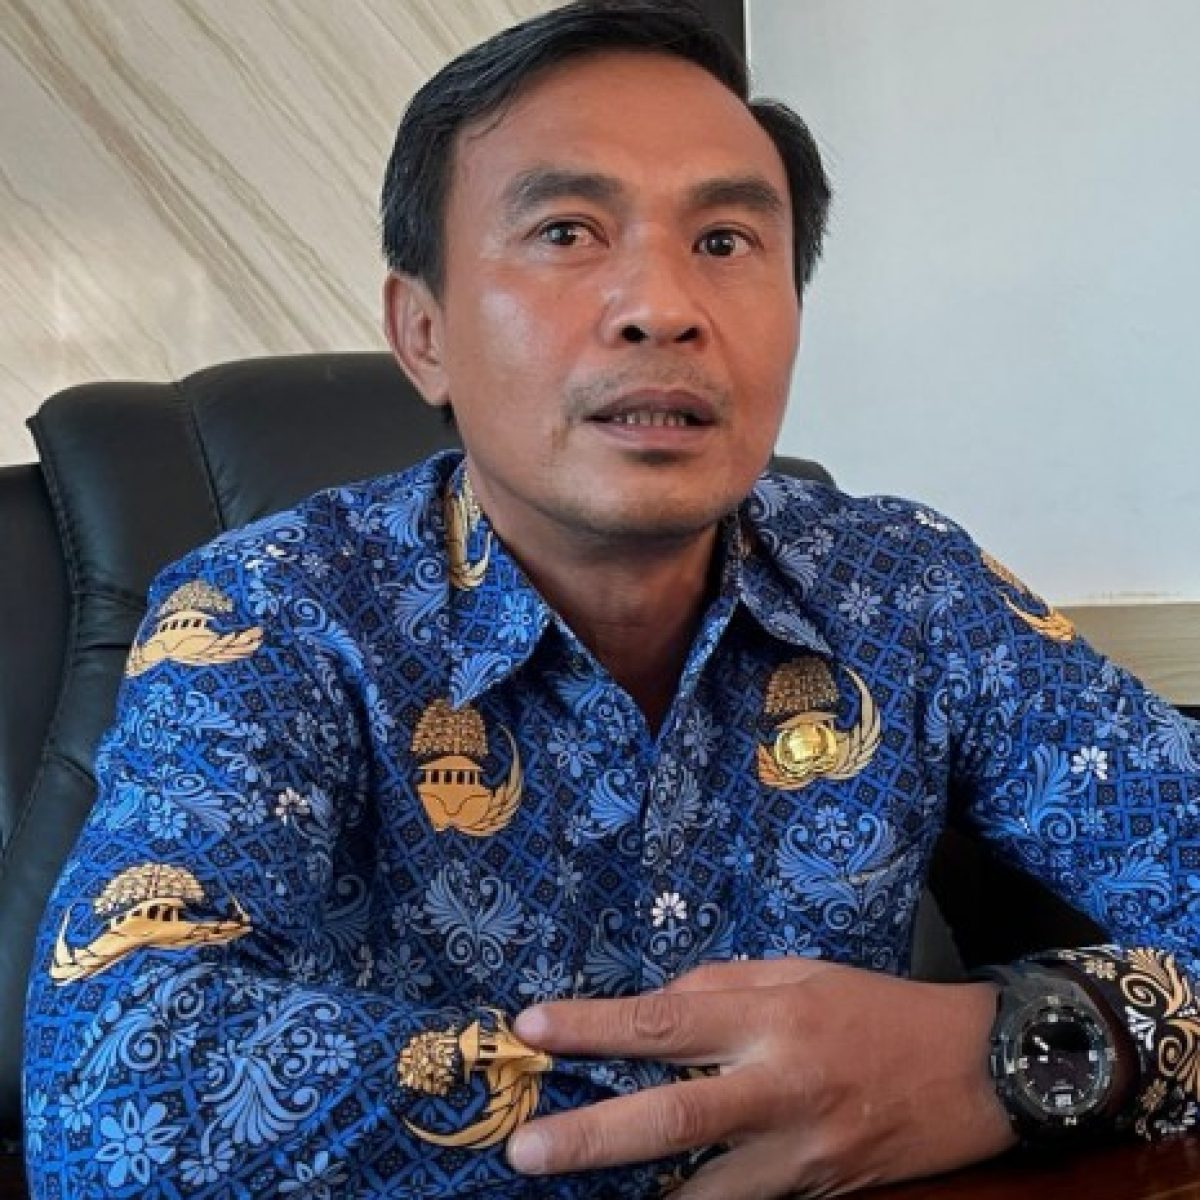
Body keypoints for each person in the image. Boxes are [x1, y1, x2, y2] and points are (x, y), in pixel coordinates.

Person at [24, 2, 1199, 1197]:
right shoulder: (269, 612)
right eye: (567, 231)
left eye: (727, 241)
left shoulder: (909, 587)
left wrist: (1026, 1052)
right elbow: (115, 1100)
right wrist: (831, 1084)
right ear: (423, 334)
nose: (662, 306)